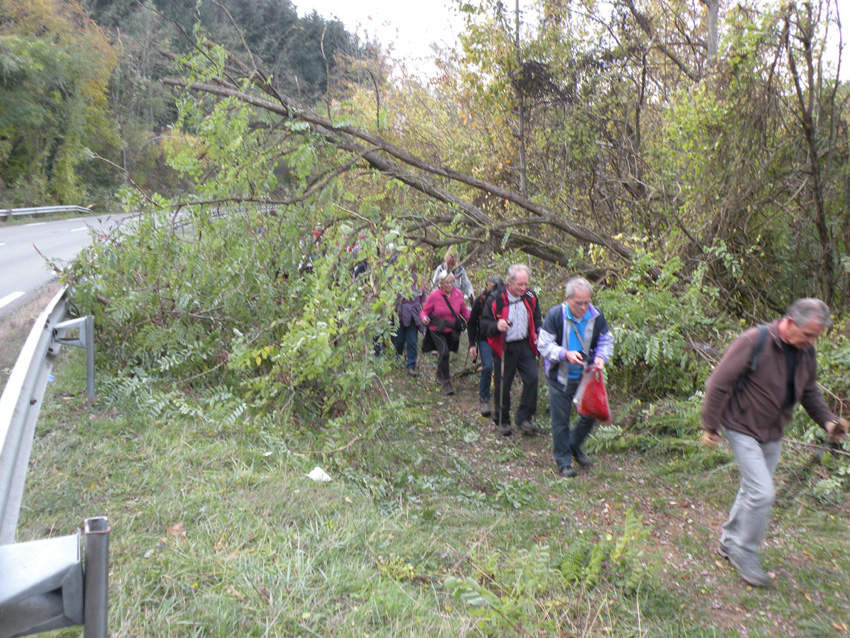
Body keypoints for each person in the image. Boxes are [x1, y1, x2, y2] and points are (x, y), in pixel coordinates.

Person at [701, 298, 849, 587]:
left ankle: (729, 542)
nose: (811, 342)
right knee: (762, 493)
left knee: (751, 490)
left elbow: (809, 393)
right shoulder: (754, 341)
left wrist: (829, 422)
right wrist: (710, 425)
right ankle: (745, 553)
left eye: (815, 337)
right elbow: (718, 382)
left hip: (773, 432)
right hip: (741, 426)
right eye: (808, 335)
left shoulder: (806, 352)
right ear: (791, 323)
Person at [539, 277, 614, 478]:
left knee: (591, 414)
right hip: (560, 377)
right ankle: (564, 462)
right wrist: (565, 354)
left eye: (586, 302)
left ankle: (574, 444)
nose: (583, 307)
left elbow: (606, 340)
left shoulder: (596, 316)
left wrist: (600, 357)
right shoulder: (555, 315)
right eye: (578, 303)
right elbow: (543, 345)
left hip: (586, 377)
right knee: (560, 420)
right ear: (567, 299)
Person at [480, 264, 542, 436]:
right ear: (509, 282)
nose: (523, 288)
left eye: (525, 284)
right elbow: (483, 325)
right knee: (503, 384)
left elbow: (537, 319)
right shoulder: (496, 299)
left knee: (532, 378)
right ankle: (502, 420)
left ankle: (524, 418)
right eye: (519, 285)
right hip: (504, 347)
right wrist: (496, 325)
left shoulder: (530, 296)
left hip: (525, 345)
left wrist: (539, 333)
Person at [421, 272, 471, 395]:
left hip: (451, 330)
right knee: (444, 352)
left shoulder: (458, 294)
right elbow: (424, 311)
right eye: (447, 282)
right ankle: (446, 382)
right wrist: (424, 318)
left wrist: (473, 321)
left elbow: (464, 311)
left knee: (445, 353)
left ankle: (439, 373)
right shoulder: (434, 295)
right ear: (441, 283)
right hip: (436, 329)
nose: (450, 285)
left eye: (452, 282)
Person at [468, 277, 503, 416]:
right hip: (484, 339)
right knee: (488, 366)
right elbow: (471, 323)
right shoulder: (480, 301)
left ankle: (501, 397)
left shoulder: (505, 301)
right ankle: (484, 398)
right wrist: (471, 344)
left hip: (500, 339)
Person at [394, 266, 428, 376]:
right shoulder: (397, 279)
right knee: (399, 341)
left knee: (412, 341)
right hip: (400, 315)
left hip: (414, 316)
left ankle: (411, 365)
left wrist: (425, 315)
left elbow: (423, 300)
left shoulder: (419, 280)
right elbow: (392, 298)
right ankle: (398, 357)